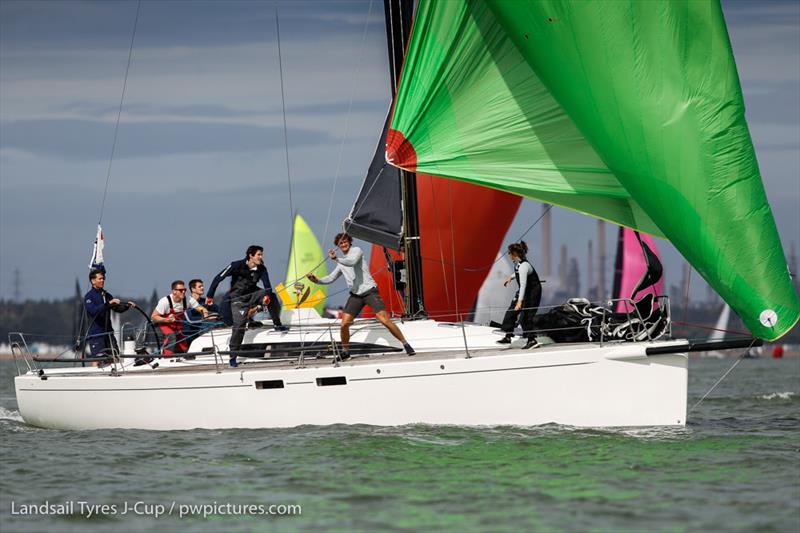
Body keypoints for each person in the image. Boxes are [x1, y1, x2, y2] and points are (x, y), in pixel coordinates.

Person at [307, 233, 415, 361]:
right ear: (338, 246)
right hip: (356, 295)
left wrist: (336, 259)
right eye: (341, 243)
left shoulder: (357, 251)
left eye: (345, 242)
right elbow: (330, 278)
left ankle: (405, 344)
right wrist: (316, 280)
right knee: (344, 324)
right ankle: (345, 351)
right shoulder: (341, 263)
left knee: (384, 319)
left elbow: (351, 262)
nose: (343, 244)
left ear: (349, 242)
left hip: (370, 291)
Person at [207, 245, 287, 367]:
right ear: (251, 255)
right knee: (239, 326)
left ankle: (277, 324)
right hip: (238, 299)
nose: (261, 257)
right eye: (259, 254)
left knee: (272, 296)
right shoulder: (236, 265)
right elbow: (218, 278)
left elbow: (268, 286)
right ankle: (233, 357)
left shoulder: (262, 268)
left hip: (254, 294)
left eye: (262, 254)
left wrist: (267, 296)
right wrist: (210, 296)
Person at [497, 241, 542, 349]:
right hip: (524, 291)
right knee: (511, 311)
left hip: (532, 292)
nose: (508, 255)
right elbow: (517, 272)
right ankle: (508, 336)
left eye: (509, 253)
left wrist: (519, 302)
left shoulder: (524, 266)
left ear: (514, 254)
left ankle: (532, 340)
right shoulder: (518, 264)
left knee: (526, 317)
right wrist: (510, 278)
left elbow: (523, 285)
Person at [83, 269, 134, 362]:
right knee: (98, 361)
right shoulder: (89, 296)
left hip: (109, 333)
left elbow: (117, 308)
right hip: (96, 334)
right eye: (100, 279)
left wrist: (127, 306)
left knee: (115, 358)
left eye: (103, 278)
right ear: (93, 281)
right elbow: (94, 311)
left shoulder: (106, 295)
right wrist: (108, 303)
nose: (102, 280)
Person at [151, 280, 208, 355]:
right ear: (174, 291)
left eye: (185, 290)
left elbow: (199, 307)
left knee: (183, 346)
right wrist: (166, 319)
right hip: (162, 326)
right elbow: (153, 316)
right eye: (181, 290)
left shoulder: (188, 299)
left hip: (177, 327)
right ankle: (166, 358)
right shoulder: (165, 301)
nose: (183, 292)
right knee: (171, 338)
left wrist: (205, 312)